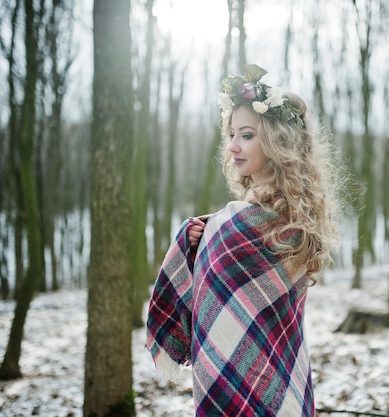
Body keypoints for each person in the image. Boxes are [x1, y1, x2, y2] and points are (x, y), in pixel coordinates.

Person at [146, 64, 343, 416]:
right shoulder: (233, 222)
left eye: (247, 135)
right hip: (228, 378)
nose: (234, 146)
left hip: (278, 372)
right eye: (232, 134)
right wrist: (200, 239)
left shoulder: (288, 223)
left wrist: (208, 235)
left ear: (278, 141)